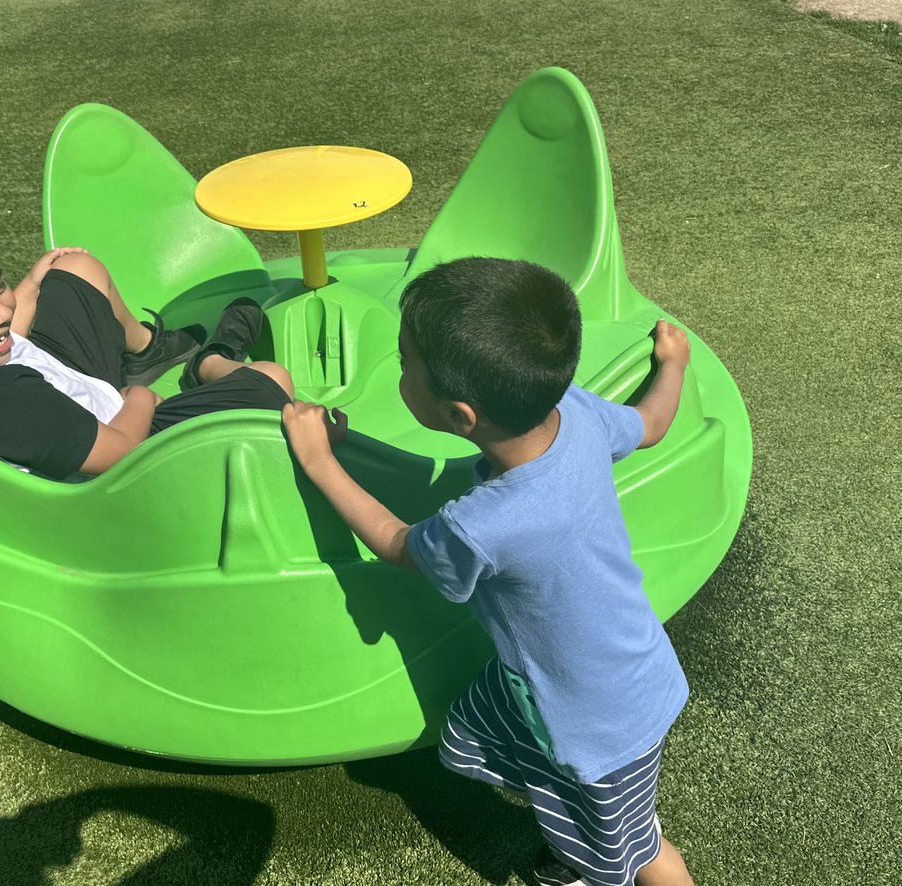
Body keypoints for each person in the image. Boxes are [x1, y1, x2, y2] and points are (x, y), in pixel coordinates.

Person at [281, 257, 696, 886]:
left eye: (403, 365)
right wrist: (673, 365)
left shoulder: (484, 524)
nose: (397, 373)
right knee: (508, 747)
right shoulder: (576, 415)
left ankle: (589, 862)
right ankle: (597, 826)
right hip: (622, 675)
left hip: (590, 725)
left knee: (632, 854)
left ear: (459, 416)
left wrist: (318, 463)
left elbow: (398, 543)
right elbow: (653, 424)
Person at [0, 208, 294, 480]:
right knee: (270, 381)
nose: (2, 312)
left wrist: (28, 286)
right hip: (123, 439)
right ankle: (212, 363)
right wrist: (139, 399)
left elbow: (9, 338)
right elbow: (119, 454)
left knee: (76, 266)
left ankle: (143, 350)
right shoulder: (8, 405)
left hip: (74, 391)